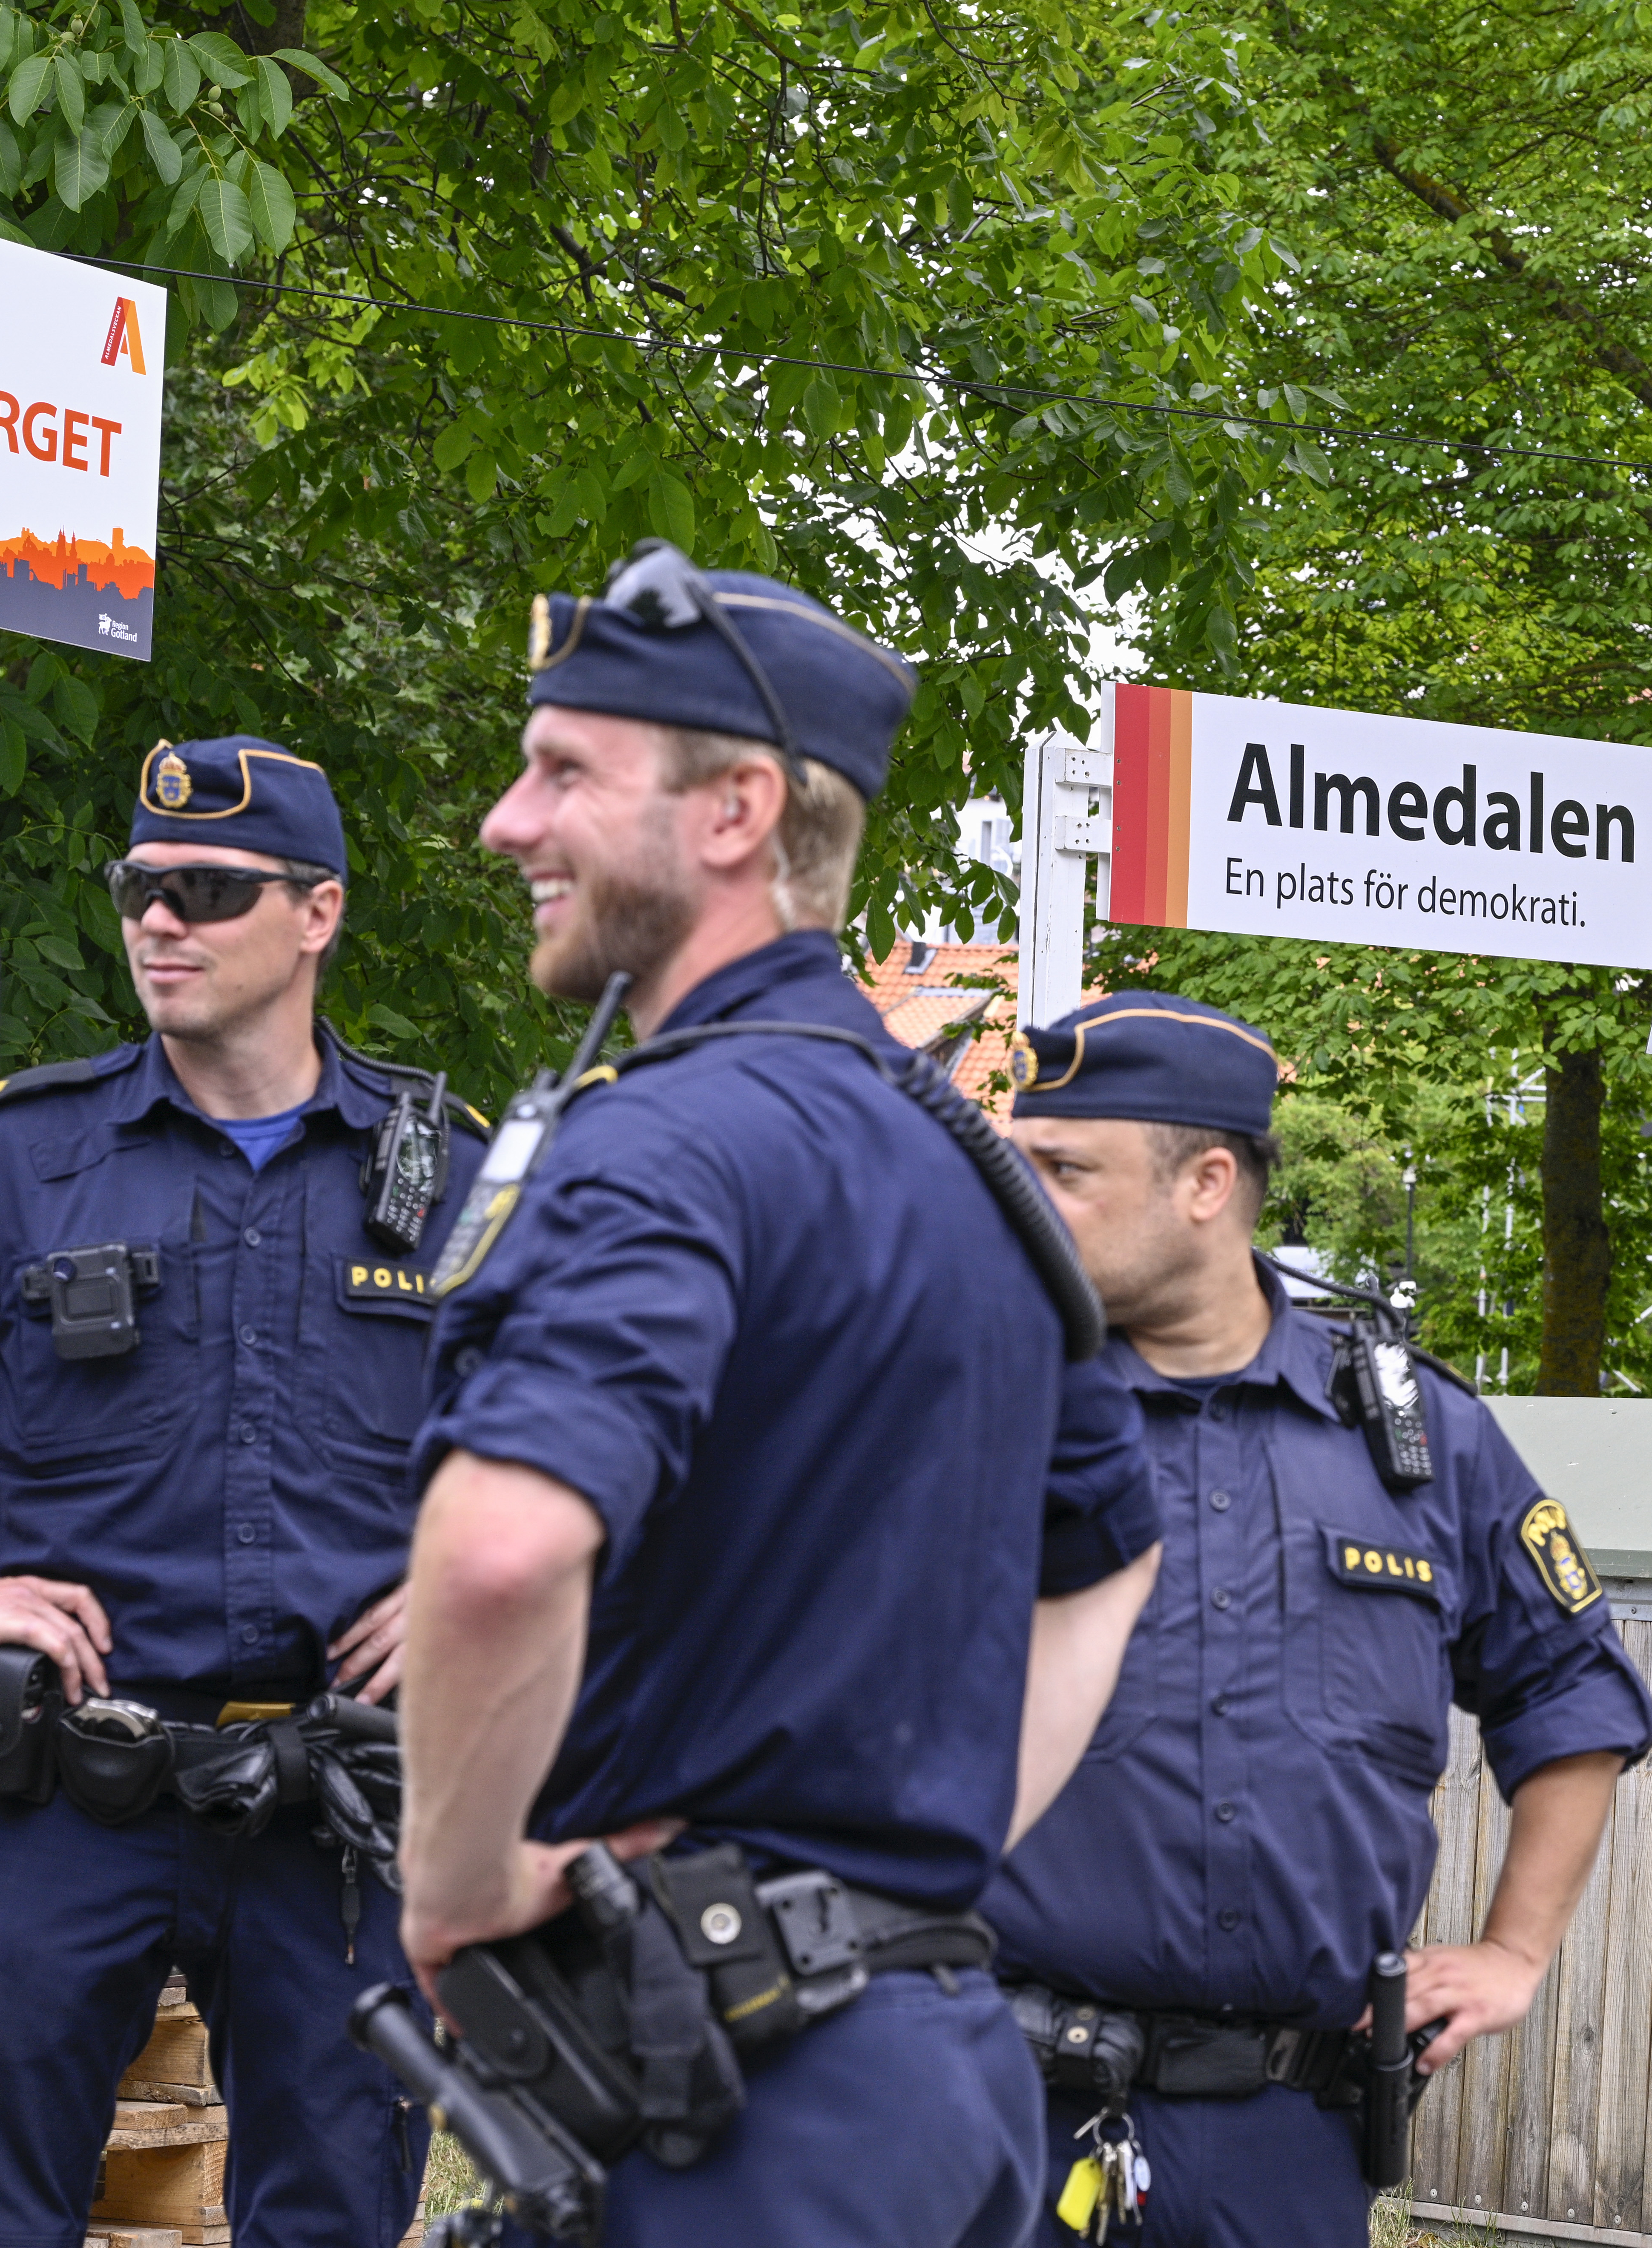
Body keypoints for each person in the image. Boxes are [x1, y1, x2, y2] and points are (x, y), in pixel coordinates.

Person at [395, 548, 1166, 2248]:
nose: (505, 825)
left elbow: (502, 1550)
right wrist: (907, 1853)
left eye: (565, 772)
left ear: (737, 809)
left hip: (750, 2106)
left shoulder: (661, 1140)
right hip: (936, 2076)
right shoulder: (974, 1169)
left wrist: (455, 1890)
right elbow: (1112, 1551)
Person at [0, 737, 490, 2248]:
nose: (160, 922)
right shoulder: (23, 1158)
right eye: (141, 886)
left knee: (331, 2215)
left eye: (207, 890)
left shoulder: (449, 1178)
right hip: (76, 1791)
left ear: (318, 912)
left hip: (336, 1813)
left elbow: (626, 1423)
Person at [986, 992, 1652, 2248]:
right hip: (1006, 2113)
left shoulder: (1414, 1441)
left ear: (1207, 1181)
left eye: (1066, 1170)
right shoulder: (983, 1407)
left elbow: (1570, 1691)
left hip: (1286, 2144)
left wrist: (1516, 1950)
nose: (1023, 1201)